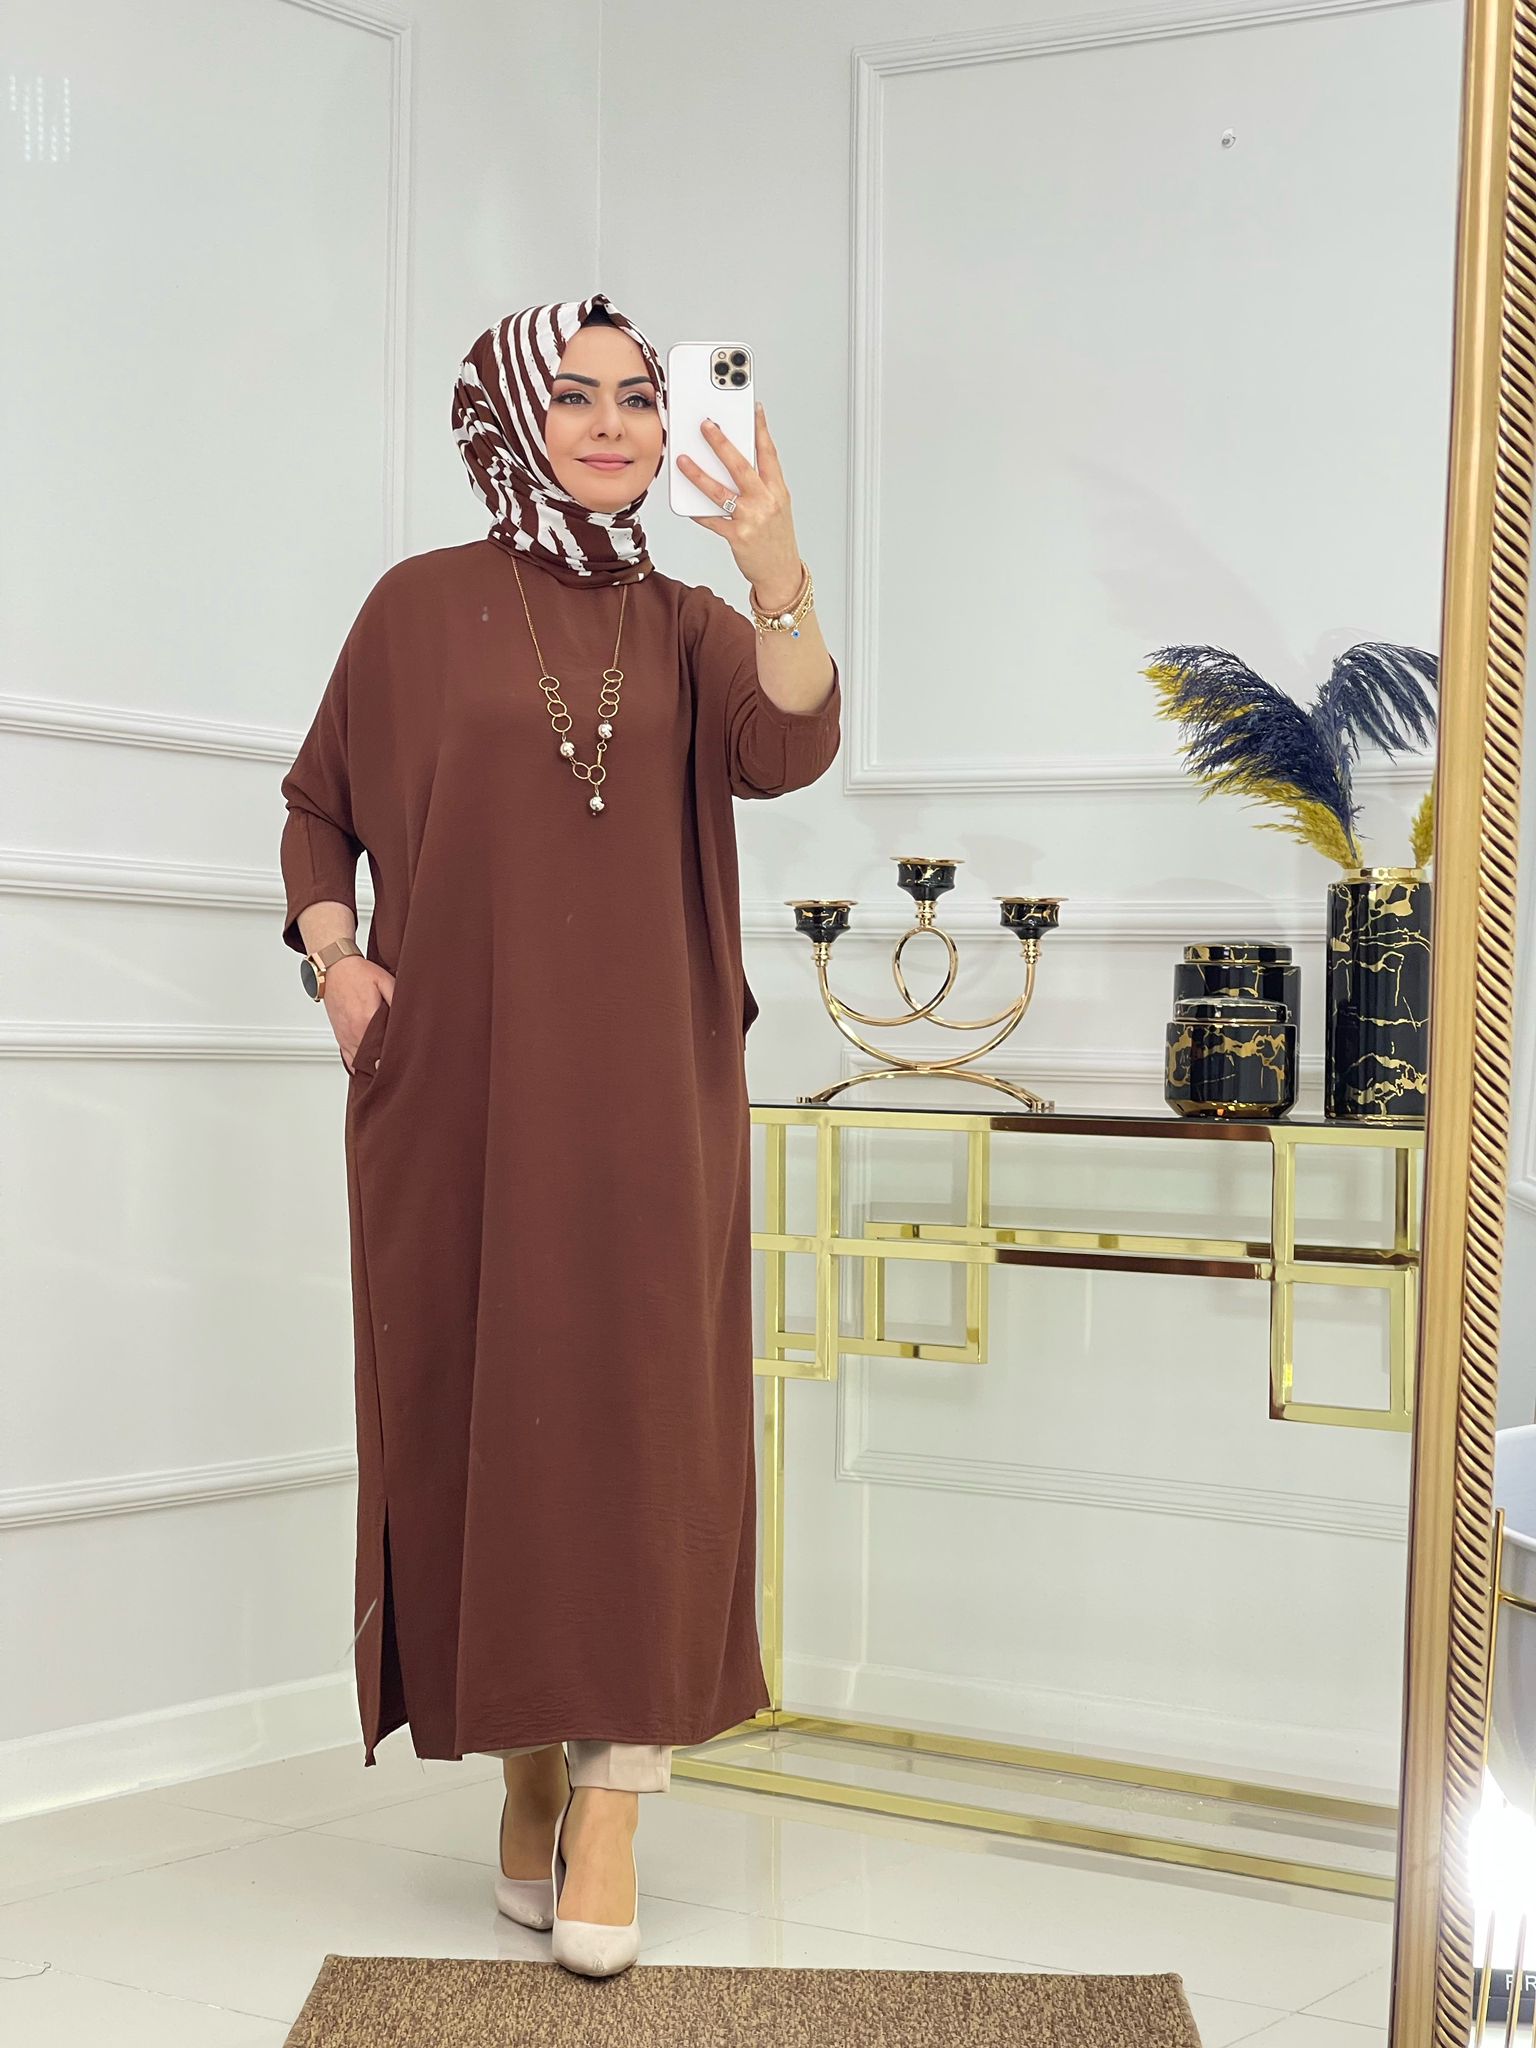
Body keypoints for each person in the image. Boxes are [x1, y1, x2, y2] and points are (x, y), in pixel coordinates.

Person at [277, 293, 841, 1976]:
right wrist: (338, 964)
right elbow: (315, 807)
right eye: (578, 395)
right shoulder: (418, 607)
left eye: (641, 399)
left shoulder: (688, 623)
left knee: (644, 1424)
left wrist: (777, 568)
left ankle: (615, 1804)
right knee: (487, 1412)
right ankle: (526, 1766)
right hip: (451, 1084)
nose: (613, 425)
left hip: (651, 1085)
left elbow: (793, 741)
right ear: (512, 414)